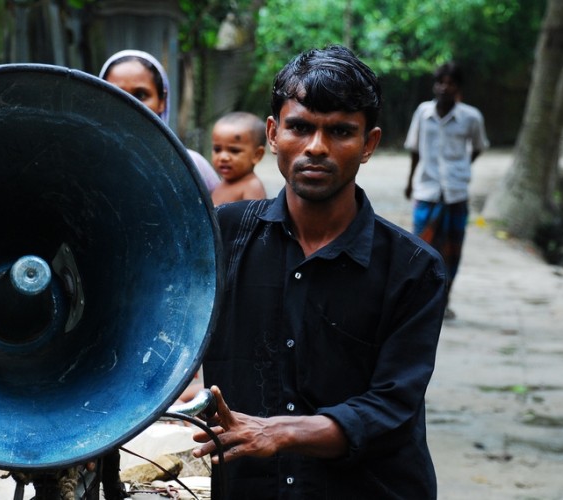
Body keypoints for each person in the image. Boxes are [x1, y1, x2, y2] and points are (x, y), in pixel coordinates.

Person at [191, 45, 447, 499]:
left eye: (341, 131)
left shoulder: (412, 268)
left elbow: (391, 404)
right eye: (300, 127)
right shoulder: (221, 240)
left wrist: (279, 433)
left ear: (369, 143)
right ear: (273, 134)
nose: (316, 147)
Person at [403, 62, 488, 319]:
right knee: (420, 248)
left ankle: (444, 300)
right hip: (427, 191)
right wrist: (409, 182)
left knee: (451, 251)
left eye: (450, 83)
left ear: (458, 88)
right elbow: (415, 149)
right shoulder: (423, 113)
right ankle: (419, 301)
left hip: (456, 194)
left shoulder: (471, 117)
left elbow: (478, 146)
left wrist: (460, 169)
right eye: (440, 82)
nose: (444, 87)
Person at [99, 50, 221, 194]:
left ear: (162, 101)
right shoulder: (87, 164)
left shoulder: (191, 165)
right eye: (115, 93)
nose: (128, 103)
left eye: (140, 94)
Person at [210, 111, 268, 206]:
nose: (223, 157)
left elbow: (253, 220)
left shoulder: (252, 187)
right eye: (217, 149)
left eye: (234, 151)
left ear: (257, 155)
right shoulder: (221, 184)